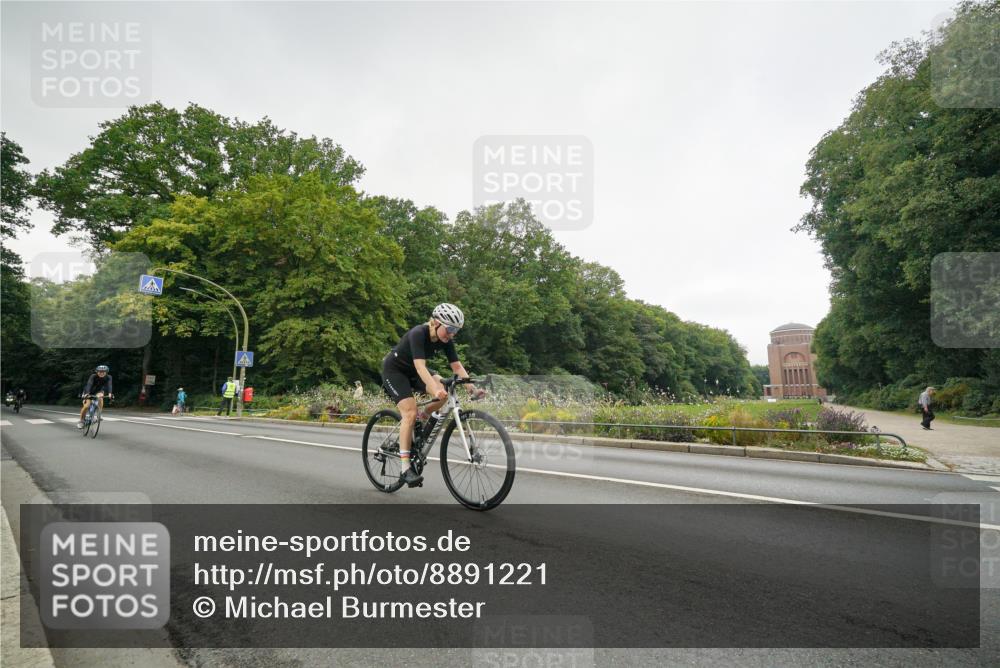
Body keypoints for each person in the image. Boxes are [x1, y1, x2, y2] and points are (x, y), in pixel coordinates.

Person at [381, 303, 485, 487]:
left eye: (456, 331)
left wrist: (471, 389)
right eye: (450, 329)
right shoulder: (418, 333)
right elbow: (420, 367)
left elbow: (457, 366)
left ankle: (423, 416)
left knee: (445, 395)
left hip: (415, 371)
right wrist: (435, 389)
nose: (452, 334)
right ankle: (405, 469)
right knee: (410, 412)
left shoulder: (446, 339)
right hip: (395, 370)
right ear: (436, 323)